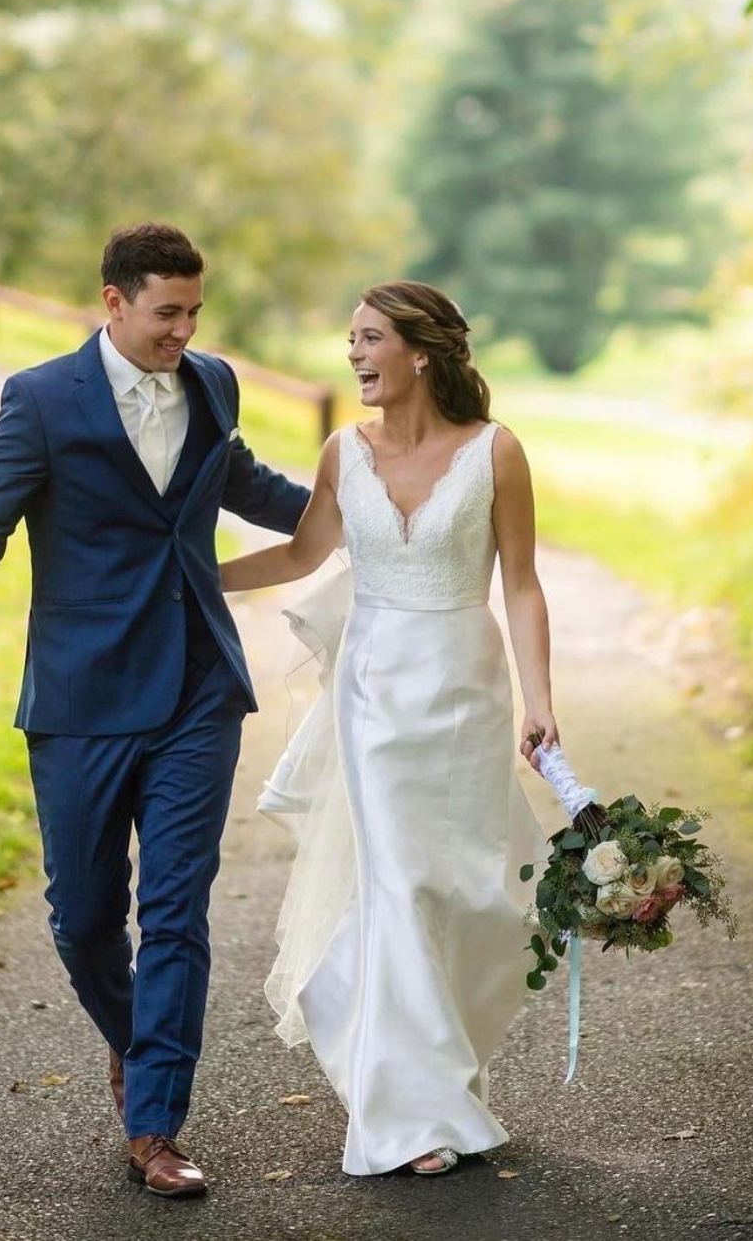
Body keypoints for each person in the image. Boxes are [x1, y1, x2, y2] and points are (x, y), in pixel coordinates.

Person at [0, 222, 309, 1199]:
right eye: (166, 313)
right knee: (82, 919)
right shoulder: (40, 400)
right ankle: (135, 1038)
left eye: (194, 312)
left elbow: (241, 482)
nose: (183, 332)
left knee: (177, 911)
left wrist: (381, 496)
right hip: (81, 695)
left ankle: (156, 1127)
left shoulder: (213, 384)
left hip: (198, 684)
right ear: (112, 301)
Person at [220, 280, 560, 1177]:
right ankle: (409, 1118)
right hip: (372, 696)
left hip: (464, 690)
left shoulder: (497, 453)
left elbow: (521, 584)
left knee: (470, 895)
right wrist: (193, 576)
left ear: (422, 351)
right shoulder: (344, 450)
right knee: (400, 885)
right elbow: (302, 553)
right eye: (351, 340)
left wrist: (541, 702)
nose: (355, 356)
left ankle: (438, 1071)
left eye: (370, 339)